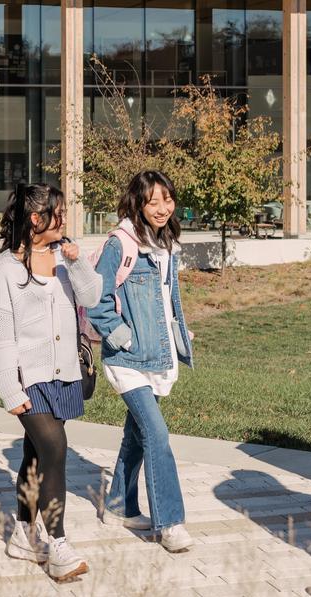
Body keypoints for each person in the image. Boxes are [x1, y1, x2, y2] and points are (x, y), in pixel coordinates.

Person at [0, 183, 101, 582]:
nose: (65, 219)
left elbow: (93, 297)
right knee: (55, 447)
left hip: (65, 373)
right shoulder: (6, 267)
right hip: (28, 378)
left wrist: (78, 261)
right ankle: (59, 545)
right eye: (59, 213)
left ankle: (22, 533)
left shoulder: (64, 256)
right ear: (36, 219)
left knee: (36, 456)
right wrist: (9, 390)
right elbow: (0, 335)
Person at [85, 170, 195, 553]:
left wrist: (178, 333)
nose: (163, 208)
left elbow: (164, 300)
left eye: (167, 199)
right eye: (153, 201)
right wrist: (123, 336)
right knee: (157, 434)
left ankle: (119, 504)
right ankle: (170, 522)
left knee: (137, 435)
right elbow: (97, 300)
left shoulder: (165, 242)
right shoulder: (121, 243)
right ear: (138, 203)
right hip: (128, 358)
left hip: (159, 355)